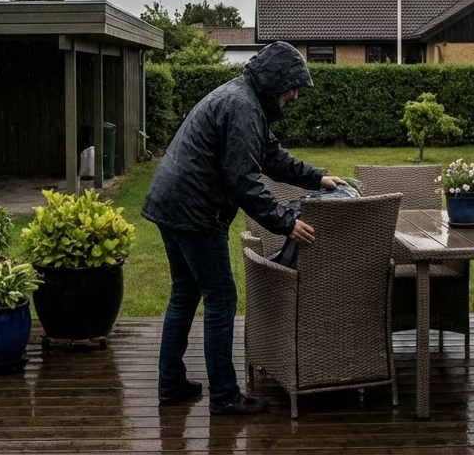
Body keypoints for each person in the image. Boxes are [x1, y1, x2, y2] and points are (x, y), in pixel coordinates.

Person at [141, 41, 347, 415]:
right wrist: (286, 223)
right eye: (292, 87)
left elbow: (271, 157)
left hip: (170, 203)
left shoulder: (245, 100)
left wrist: (317, 179)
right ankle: (224, 396)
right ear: (277, 81)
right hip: (194, 211)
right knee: (221, 299)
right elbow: (244, 181)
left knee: (185, 294)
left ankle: (170, 382)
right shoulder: (243, 107)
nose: (294, 95)